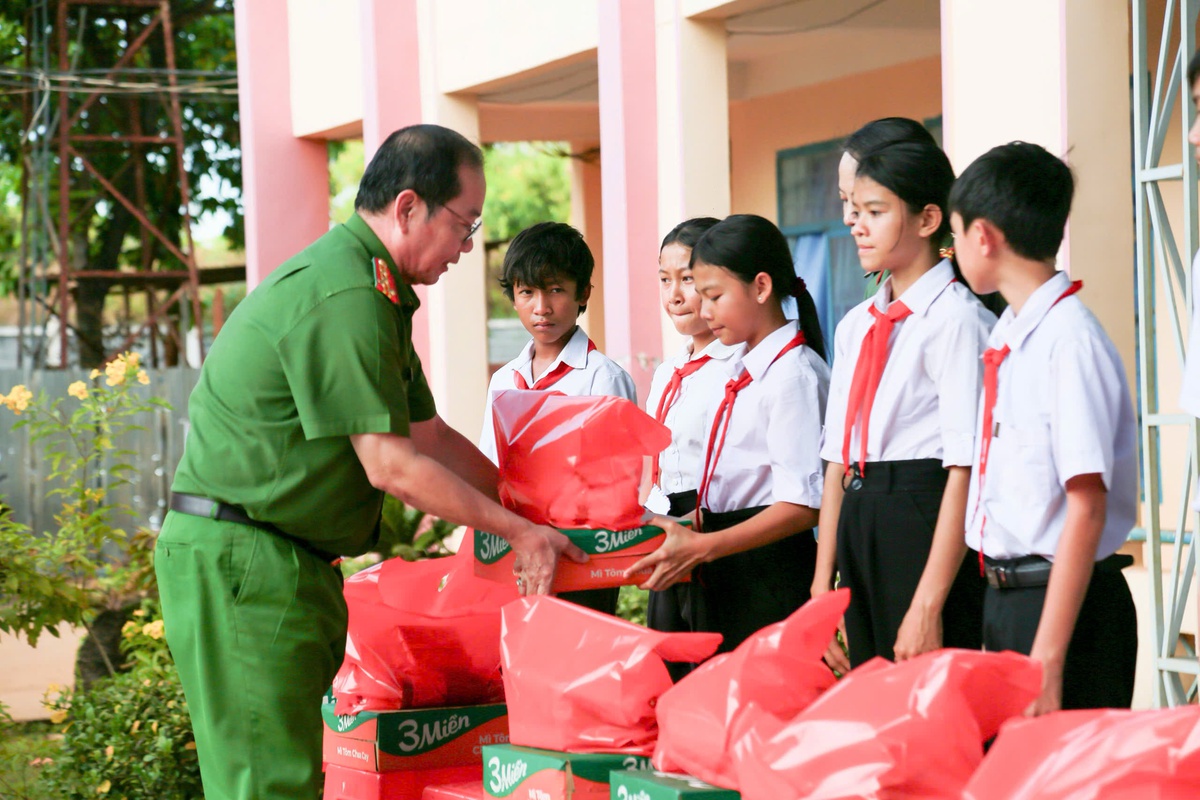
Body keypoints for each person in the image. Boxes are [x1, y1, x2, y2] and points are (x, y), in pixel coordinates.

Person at [156, 125, 585, 800]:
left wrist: (538, 503)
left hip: (281, 559)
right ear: (409, 207)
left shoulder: (374, 292)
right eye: (463, 226)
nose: (467, 248)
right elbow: (393, 466)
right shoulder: (347, 296)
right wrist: (518, 529)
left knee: (287, 774)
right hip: (247, 558)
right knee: (267, 786)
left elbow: (430, 436)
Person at [950, 141, 1138, 714]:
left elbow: (1087, 506)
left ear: (983, 237)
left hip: (1065, 608)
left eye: (953, 235)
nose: (952, 249)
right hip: (1011, 597)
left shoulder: (1068, 342)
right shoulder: (1012, 335)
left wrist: (1047, 660)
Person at [813, 140, 992, 673]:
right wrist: (823, 582)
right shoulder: (856, 325)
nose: (855, 225)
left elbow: (964, 468)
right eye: (853, 212)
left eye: (874, 212)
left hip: (925, 516)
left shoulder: (957, 320)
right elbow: (837, 462)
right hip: (861, 515)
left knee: (929, 703)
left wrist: (928, 602)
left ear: (927, 218)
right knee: (873, 705)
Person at [627, 214, 830, 654]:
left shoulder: (791, 375)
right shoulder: (752, 369)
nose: (700, 309)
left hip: (760, 561)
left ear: (760, 287)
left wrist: (705, 546)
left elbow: (804, 505)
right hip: (711, 545)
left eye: (712, 295)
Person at [479, 220, 635, 614]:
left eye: (556, 290)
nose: (541, 308)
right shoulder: (503, 380)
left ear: (583, 293)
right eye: (527, 292)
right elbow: (489, 467)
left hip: (582, 557)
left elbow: (616, 483)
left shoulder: (603, 377)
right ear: (512, 296)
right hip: (513, 554)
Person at [642, 217, 740, 675]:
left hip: (718, 541)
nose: (674, 295)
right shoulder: (668, 371)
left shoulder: (739, 365)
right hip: (667, 542)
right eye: (665, 280)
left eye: (688, 280)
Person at [836, 118, 939, 299]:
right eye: (845, 199)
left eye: (874, 210)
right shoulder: (879, 283)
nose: (848, 218)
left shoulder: (969, 273)